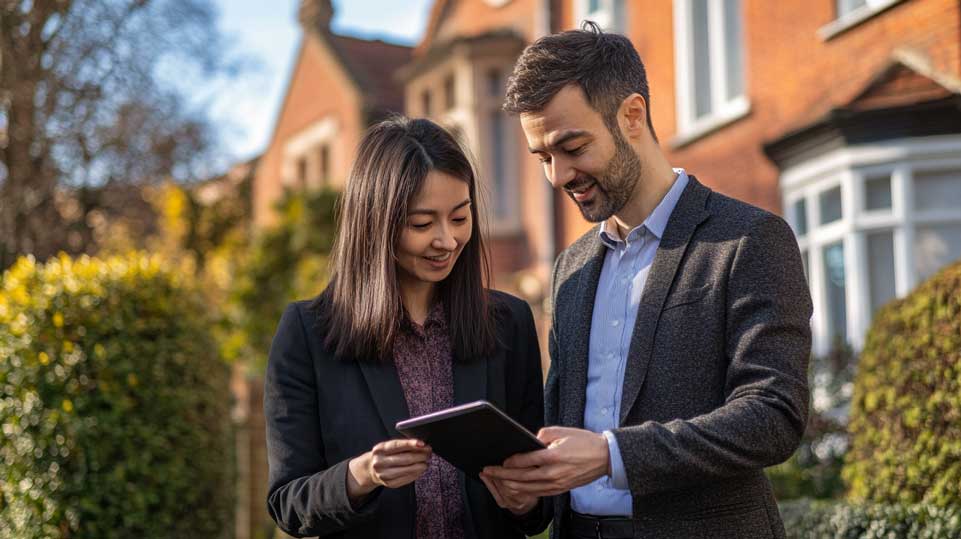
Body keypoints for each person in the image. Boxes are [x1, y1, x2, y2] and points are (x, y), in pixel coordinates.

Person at [480, 23, 812, 539]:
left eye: (572, 147)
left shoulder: (749, 239)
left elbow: (773, 416)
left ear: (632, 116)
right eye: (543, 157)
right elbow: (561, 431)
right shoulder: (571, 268)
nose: (558, 176)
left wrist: (612, 454)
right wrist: (529, 492)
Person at [264, 116, 550, 538]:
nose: (447, 240)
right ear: (376, 224)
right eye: (422, 224)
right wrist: (361, 475)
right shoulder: (308, 334)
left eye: (460, 217)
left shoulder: (510, 323)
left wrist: (527, 499)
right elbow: (288, 503)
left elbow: (540, 503)